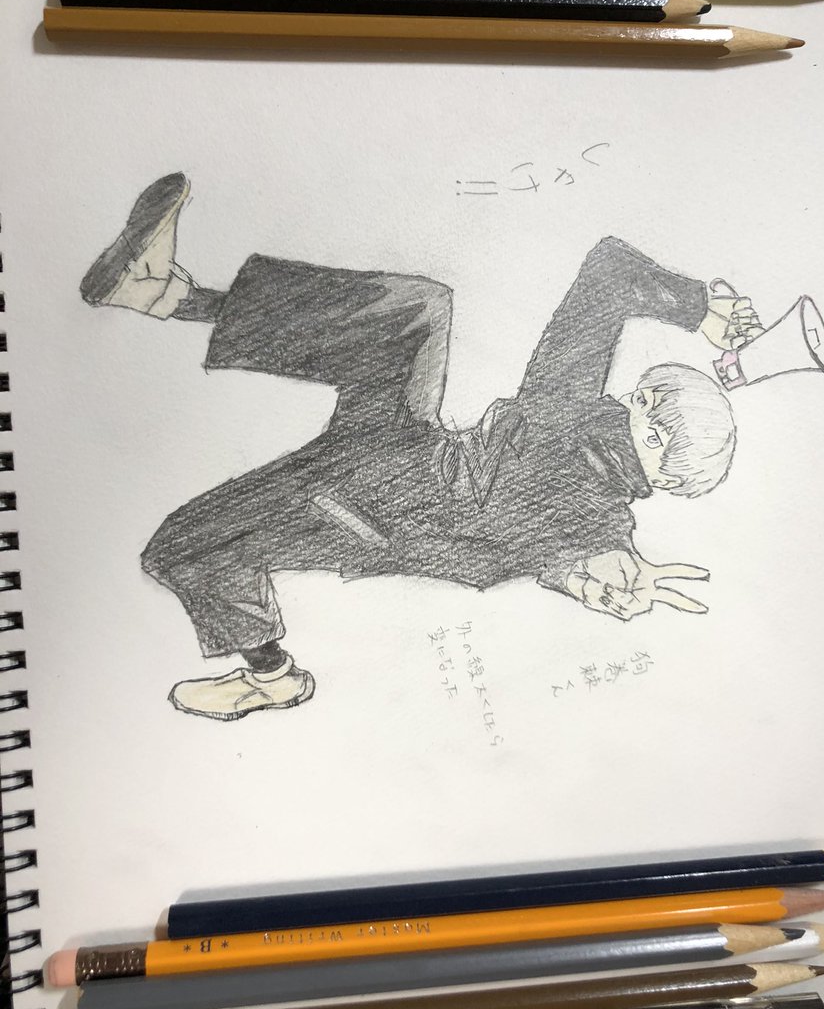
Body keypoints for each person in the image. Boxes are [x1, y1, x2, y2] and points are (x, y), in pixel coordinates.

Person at [81, 173, 762, 722]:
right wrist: (698, 306)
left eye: (650, 418)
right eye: (646, 394)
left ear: (660, 463)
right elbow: (607, 274)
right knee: (419, 311)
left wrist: (597, 574)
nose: (632, 406)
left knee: (185, 544)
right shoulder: (573, 415)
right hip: (405, 449)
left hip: (379, 512)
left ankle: (271, 677)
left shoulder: (595, 507)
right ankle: (169, 295)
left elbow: (562, 543)